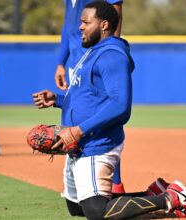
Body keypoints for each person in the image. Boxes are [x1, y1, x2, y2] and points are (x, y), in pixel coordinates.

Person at [34, 2, 186, 219]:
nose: (80, 27)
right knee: (76, 207)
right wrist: (58, 99)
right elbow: (87, 95)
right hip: (80, 143)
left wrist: (79, 130)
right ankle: (153, 193)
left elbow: (120, 106)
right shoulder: (91, 52)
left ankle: (171, 199)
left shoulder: (111, 56)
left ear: (104, 24)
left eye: (86, 22)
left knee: (97, 213)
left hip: (96, 143)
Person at [55, 0, 125, 194]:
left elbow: (114, 17)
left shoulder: (108, 55)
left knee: (101, 116)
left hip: (93, 54)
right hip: (75, 59)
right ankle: (84, 180)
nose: (81, 25)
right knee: (78, 112)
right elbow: (68, 26)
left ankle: (115, 185)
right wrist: (61, 62)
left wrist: (108, 53)